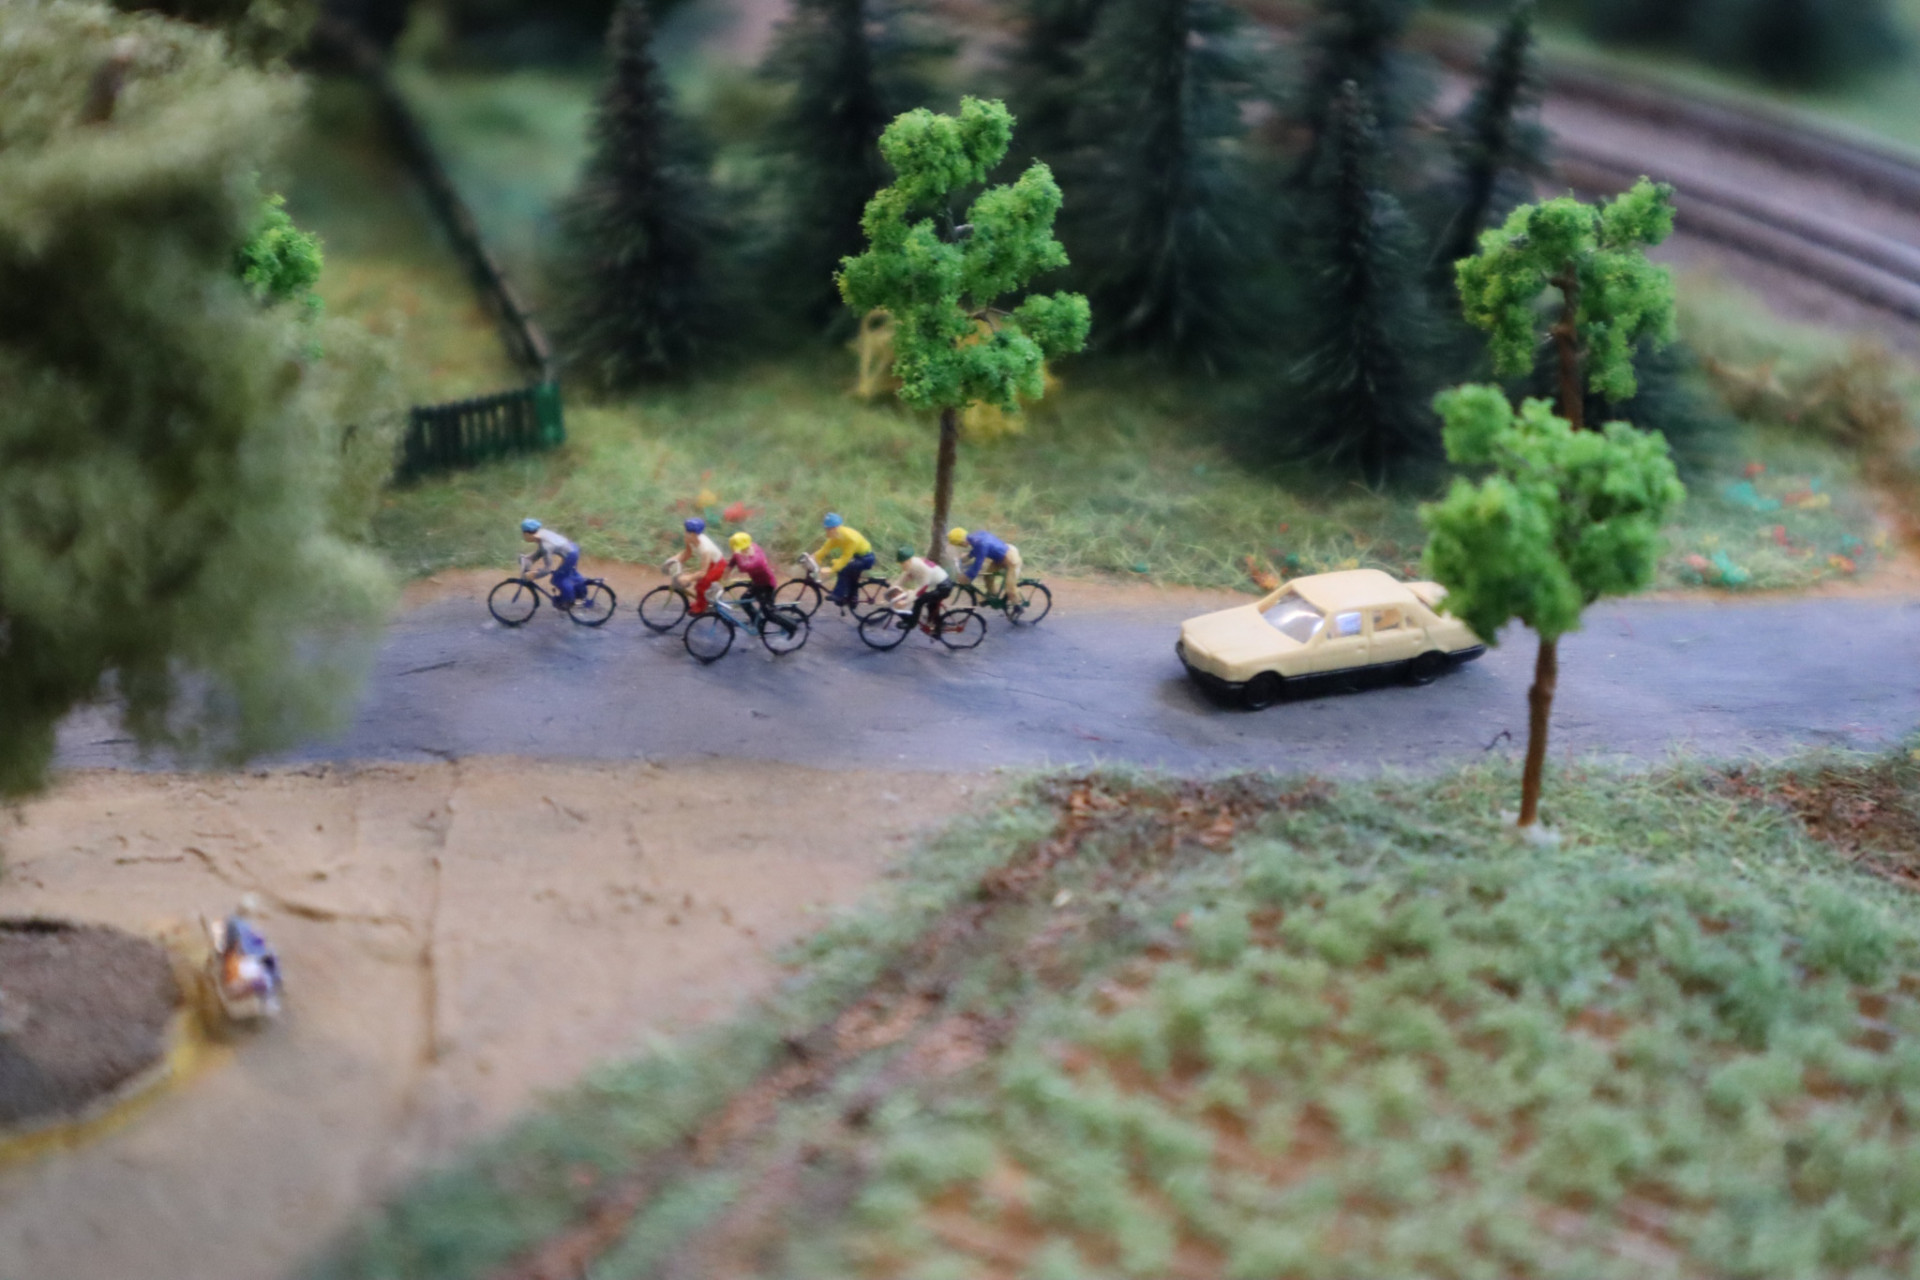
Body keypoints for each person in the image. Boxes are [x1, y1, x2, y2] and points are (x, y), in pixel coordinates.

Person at [810, 512, 875, 608]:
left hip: (866, 558)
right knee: (851, 577)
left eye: (828, 529)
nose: (826, 532)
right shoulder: (836, 536)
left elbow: (845, 558)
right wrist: (815, 557)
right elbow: (825, 549)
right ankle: (852, 599)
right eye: (826, 529)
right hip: (858, 557)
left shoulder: (850, 539)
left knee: (844, 569)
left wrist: (832, 570)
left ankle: (838, 595)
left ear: (835, 528)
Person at [520, 518, 585, 608]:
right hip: (572, 548)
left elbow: (547, 569)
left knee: (558, 579)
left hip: (570, 554)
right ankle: (580, 589)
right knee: (567, 574)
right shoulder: (542, 534)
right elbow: (539, 552)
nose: (523, 536)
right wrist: (528, 559)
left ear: (527, 534)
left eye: (523, 533)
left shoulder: (545, 545)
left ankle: (569, 600)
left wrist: (534, 575)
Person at [886, 545, 952, 633]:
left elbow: (922, 588)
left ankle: (911, 623)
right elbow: (903, 578)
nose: (901, 566)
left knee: (919, 601)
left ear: (908, 560)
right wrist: (892, 588)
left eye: (902, 563)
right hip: (938, 585)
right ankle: (938, 624)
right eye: (900, 563)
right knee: (931, 605)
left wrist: (906, 601)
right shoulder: (912, 564)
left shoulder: (922, 568)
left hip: (944, 587)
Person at [668, 517, 725, 615]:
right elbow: (687, 554)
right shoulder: (689, 539)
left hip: (718, 565)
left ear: (693, 534)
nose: (685, 533)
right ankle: (702, 601)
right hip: (709, 563)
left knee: (701, 586)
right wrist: (672, 561)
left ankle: (702, 607)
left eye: (687, 531)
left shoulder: (705, 548)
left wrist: (688, 578)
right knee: (699, 582)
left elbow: (703, 572)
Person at [948, 526, 1022, 600]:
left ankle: (1018, 604)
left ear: (962, 542)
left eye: (959, 544)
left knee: (1010, 590)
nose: (961, 546)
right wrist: (961, 560)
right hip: (999, 558)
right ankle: (993, 597)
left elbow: (978, 564)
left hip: (1010, 559)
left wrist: (967, 577)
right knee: (988, 577)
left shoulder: (980, 543)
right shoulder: (976, 537)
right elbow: (975, 552)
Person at [723, 530, 780, 614]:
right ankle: (756, 620)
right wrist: (724, 575)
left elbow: (743, 567)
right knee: (744, 601)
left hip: (767, 585)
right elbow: (731, 563)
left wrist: (738, 554)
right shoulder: (744, 550)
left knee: (768, 612)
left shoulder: (757, 559)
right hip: (756, 583)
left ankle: (786, 622)